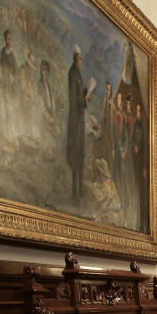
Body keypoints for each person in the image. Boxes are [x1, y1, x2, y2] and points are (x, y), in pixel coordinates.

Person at [66, 45, 89, 199]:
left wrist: (86, 92)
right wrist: (84, 98)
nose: (81, 61)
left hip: (79, 121)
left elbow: (79, 95)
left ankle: (79, 190)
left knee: (80, 156)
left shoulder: (78, 74)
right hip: (75, 121)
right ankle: (75, 191)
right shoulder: (73, 74)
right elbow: (75, 100)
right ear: (75, 58)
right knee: (75, 156)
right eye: (79, 58)